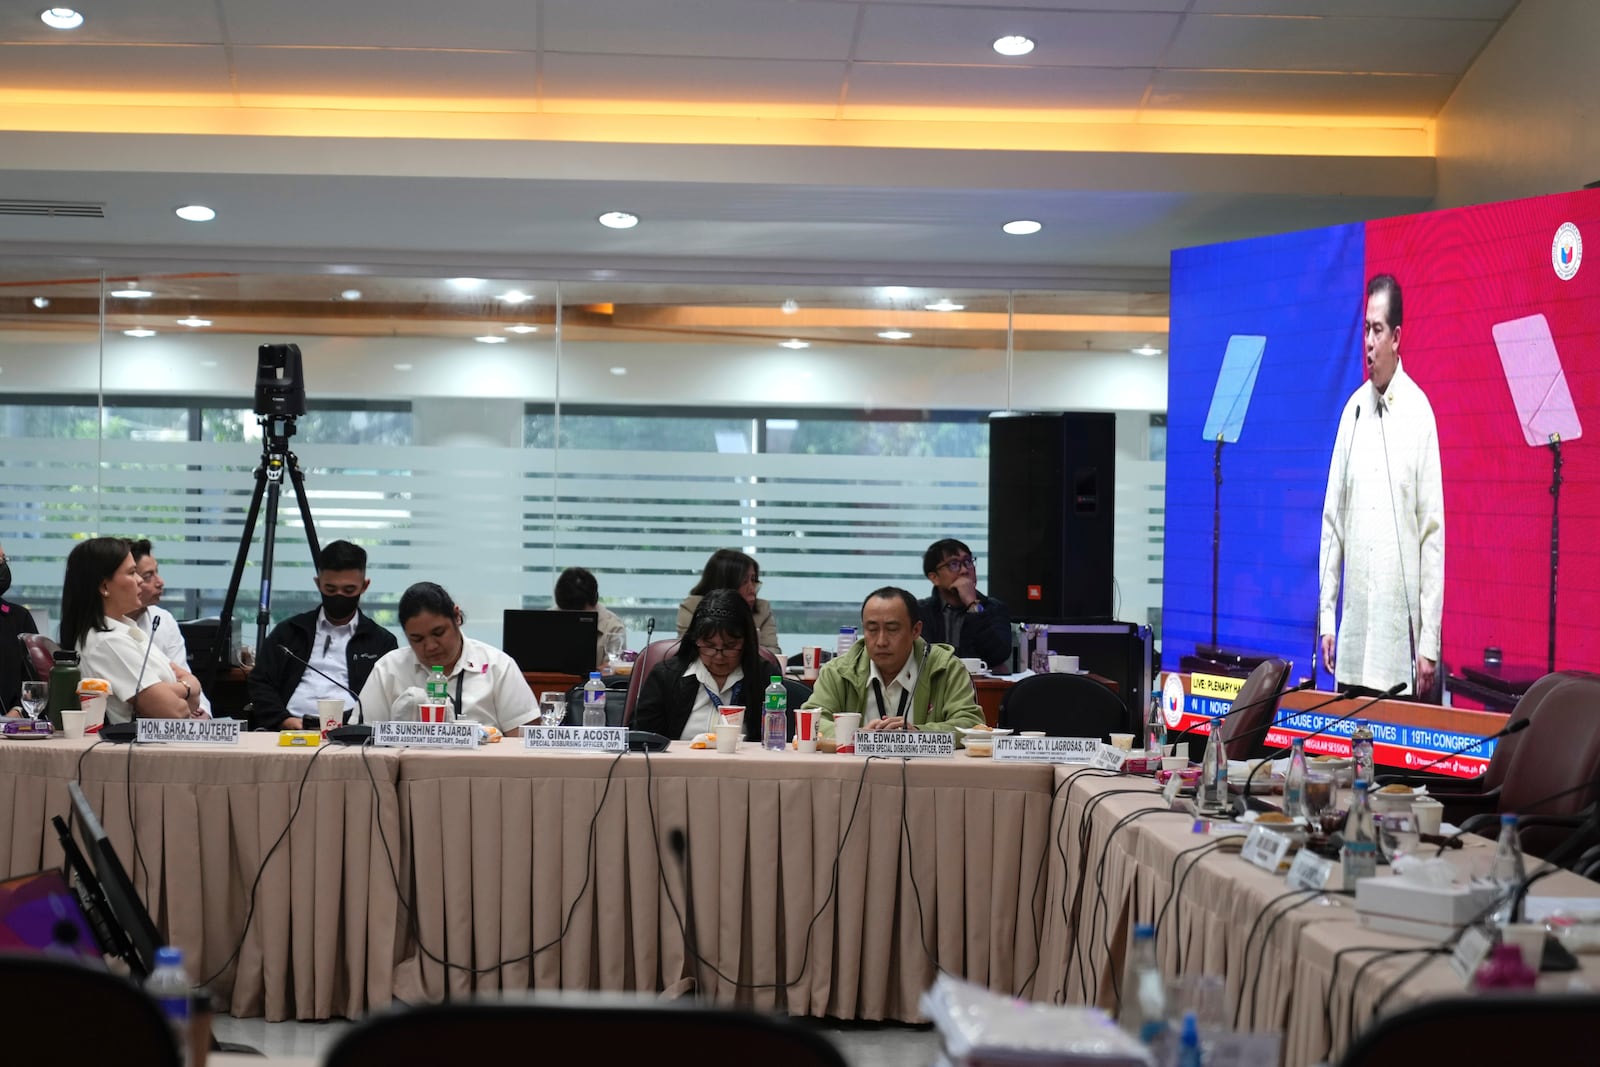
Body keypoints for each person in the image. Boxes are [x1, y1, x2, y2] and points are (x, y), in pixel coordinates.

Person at [1319, 274, 1444, 697]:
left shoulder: (1419, 415)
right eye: (1365, 330)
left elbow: (1432, 536)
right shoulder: (1352, 413)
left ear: (1397, 337)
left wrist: (1429, 642)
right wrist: (1326, 618)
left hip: (1397, 654)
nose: (1368, 343)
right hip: (1352, 647)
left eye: (1377, 330)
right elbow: (1332, 525)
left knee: (1389, 764)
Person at [805, 586, 984, 748]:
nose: (881, 641)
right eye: (872, 629)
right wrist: (855, 736)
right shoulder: (838, 671)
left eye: (892, 629)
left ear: (916, 630)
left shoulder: (946, 668)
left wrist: (919, 735)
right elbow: (811, 720)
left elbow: (971, 723)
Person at [249, 540, 398, 731]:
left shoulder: (382, 642)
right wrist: (283, 720)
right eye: (331, 589)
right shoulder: (288, 632)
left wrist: (347, 725)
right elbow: (260, 682)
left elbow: (384, 697)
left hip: (351, 732)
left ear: (364, 586)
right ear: (318, 584)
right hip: (289, 729)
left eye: (349, 590)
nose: (339, 596)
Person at [358, 581, 536, 735]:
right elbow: (362, 740)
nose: (430, 646)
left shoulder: (498, 666)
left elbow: (523, 743)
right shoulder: (388, 669)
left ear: (457, 616)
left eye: (438, 632)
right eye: (417, 639)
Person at [61, 537, 205, 724]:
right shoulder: (107, 642)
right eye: (131, 573)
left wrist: (174, 689)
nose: (139, 581)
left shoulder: (126, 629)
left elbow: (191, 706)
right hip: (137, 750)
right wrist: (188, 685)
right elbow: (174, 712)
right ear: (105, 586)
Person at [634, 588, 800, 742]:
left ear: (746, 642)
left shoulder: (764, 677)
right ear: (695, 640)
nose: (718, 656)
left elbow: (782, 744)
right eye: (709, 646)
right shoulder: (666, 677)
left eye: (729, 646)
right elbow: (641, 740)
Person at [126, 539, 211, 717]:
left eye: (157, 572)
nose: (160, 582)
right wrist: (188, 687)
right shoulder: (106, 633)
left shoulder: (163, 619)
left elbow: (184, 675)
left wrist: (204, 713)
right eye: (148, 576)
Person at [917, 538, 1014, 672]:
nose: (964, 570)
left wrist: (972, 605)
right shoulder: (920, 611)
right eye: (953, 564)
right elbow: (919, 658)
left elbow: (998, 655)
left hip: (980, 688)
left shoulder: (994, 609)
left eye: (968, 562)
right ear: (934, 577)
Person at [676, 549, 781, 657]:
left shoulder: (762, 609)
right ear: (724, 584)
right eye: (744, 581)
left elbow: (773, 654)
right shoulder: (692, 607)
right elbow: (689, 653)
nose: (752, 589)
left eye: (754, 580)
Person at [554, 566, 628, 670]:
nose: (573, 619)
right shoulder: (546, 620)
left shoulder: (613, 628)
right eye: (567, 612)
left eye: (580, 612)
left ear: (594, 600)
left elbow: (613, 674)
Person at [0, 541, 39, 713]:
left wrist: (17, 710)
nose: (2, 567)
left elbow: (34, 681)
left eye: (3, 560)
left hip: (10, 731)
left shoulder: (18, 618)